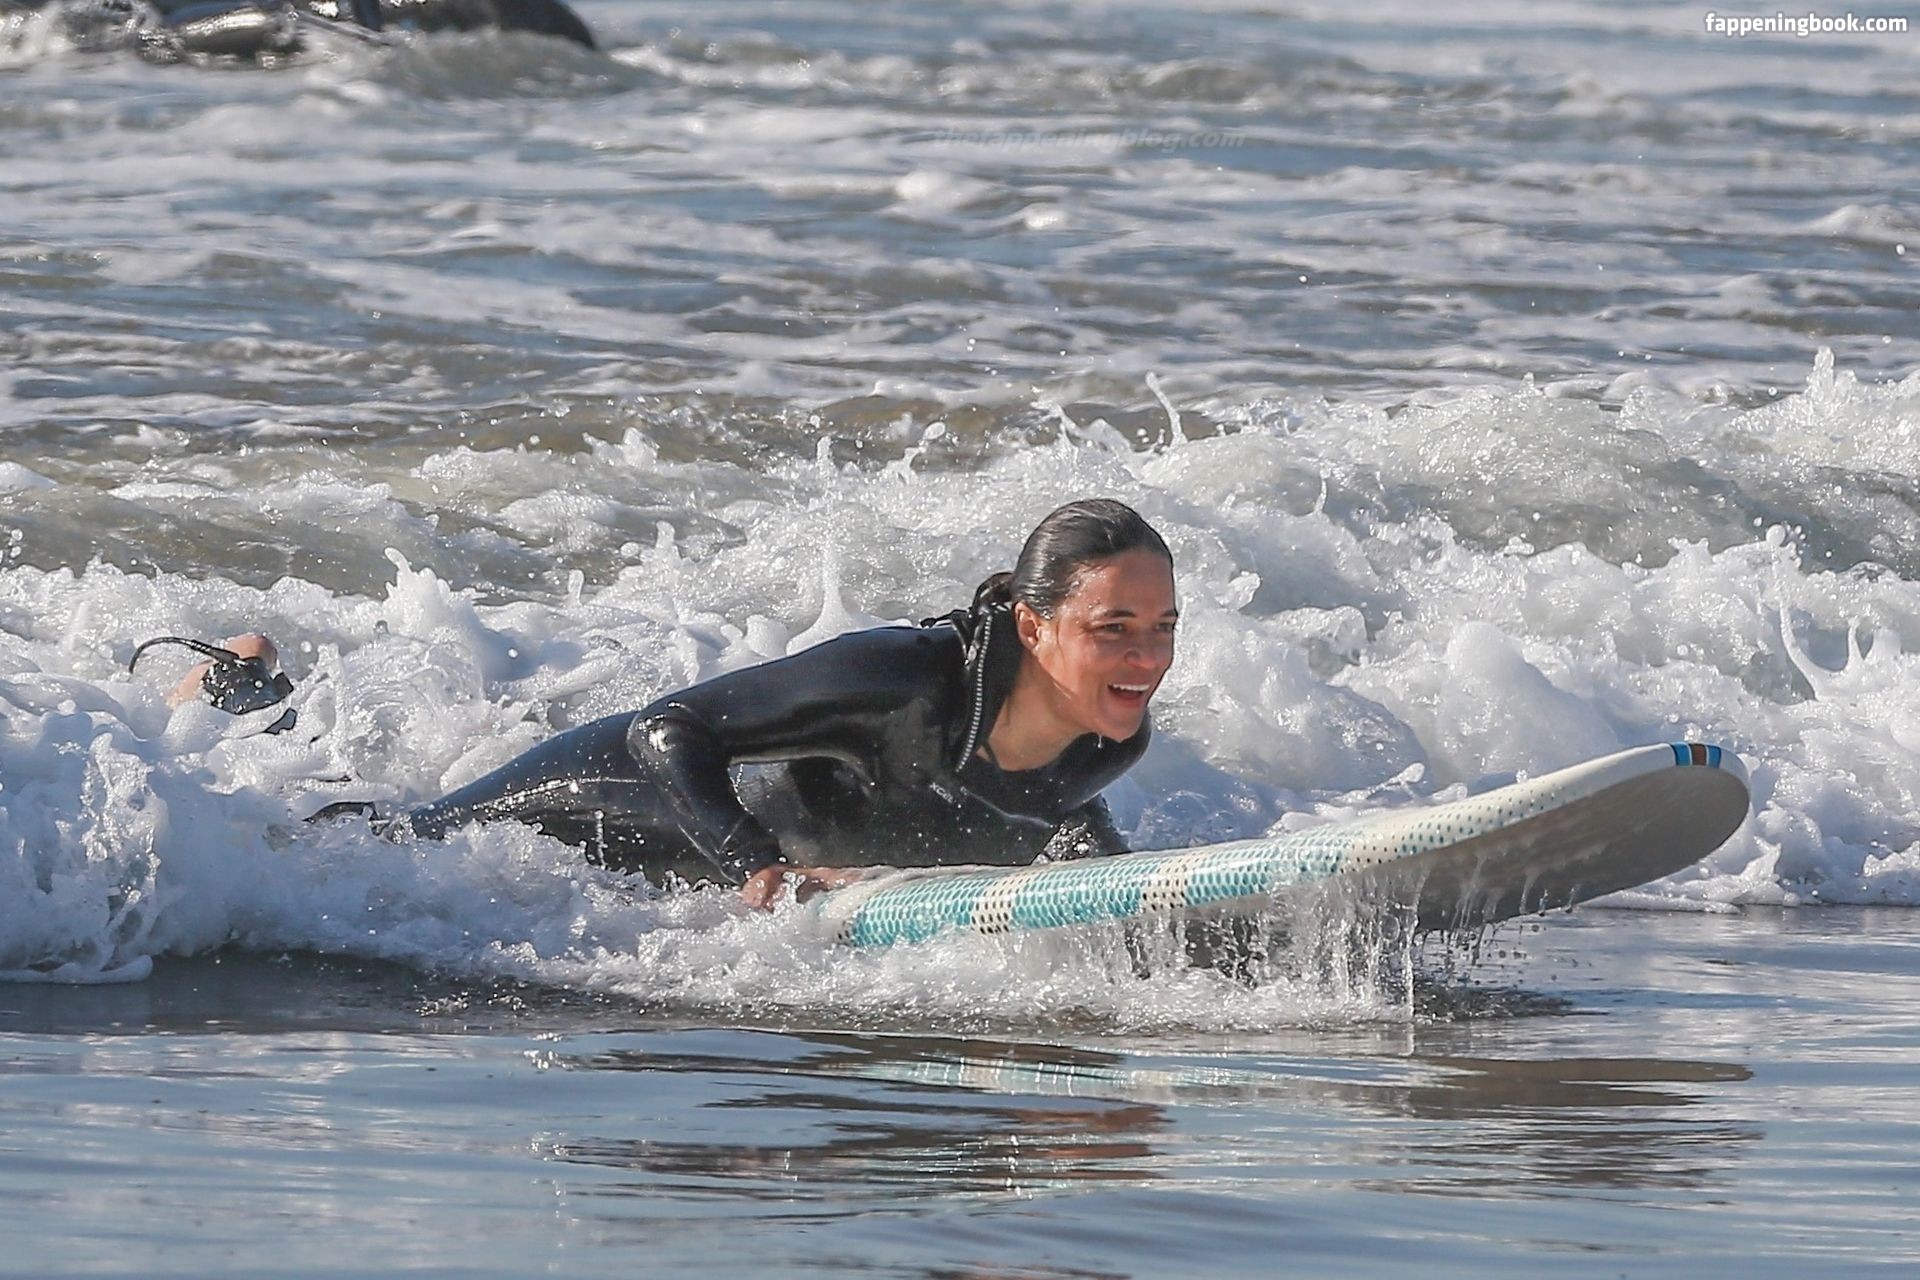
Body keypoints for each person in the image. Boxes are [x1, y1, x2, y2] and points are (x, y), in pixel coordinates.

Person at [385, 498, 1179, 908]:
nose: (1146, 659)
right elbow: (667, 729)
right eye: (1114, 628)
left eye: (1163, 627)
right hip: (579, 800)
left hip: (651, 884)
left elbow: (1039, 807)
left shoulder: (1109, 740)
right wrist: (758, 869)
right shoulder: (904, 681)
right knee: (379, 854)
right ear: (1032, 627)